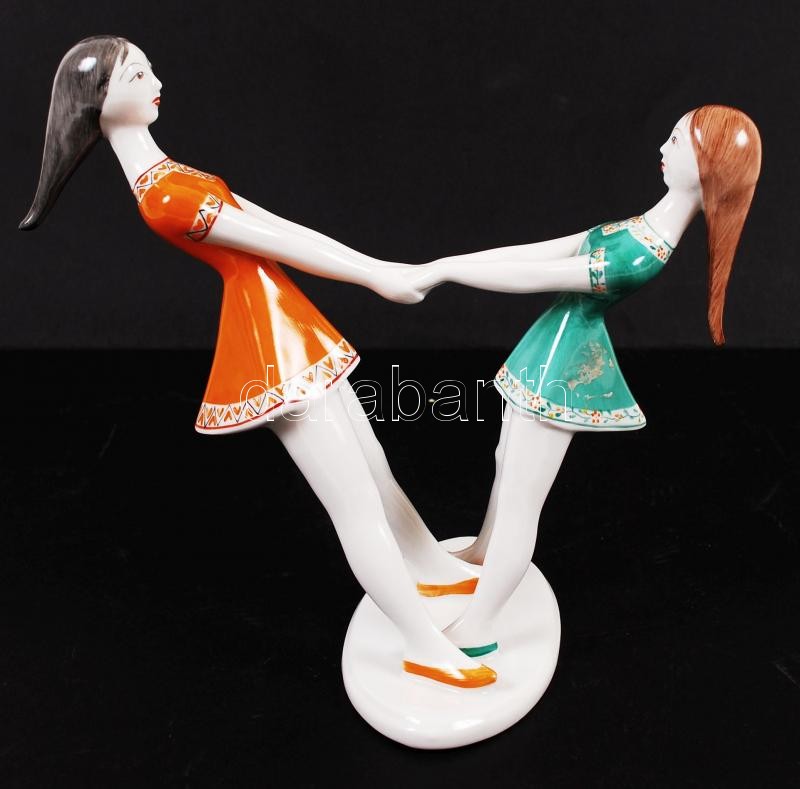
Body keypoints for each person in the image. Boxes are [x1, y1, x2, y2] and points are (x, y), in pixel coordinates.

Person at [20, 35, 491, 688]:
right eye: (137, 74)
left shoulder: (171, 173)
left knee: (375, 467)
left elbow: (275, 228)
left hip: (287, 322)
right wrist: (376, 274)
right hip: (268, 342)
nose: (157, 80)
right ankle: (422, 644)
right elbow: (278, 242)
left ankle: (431, 570)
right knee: (354, 501)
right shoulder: (164, 196)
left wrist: (377, 268)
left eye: (151, 67)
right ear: (99, 102)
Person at [403, 105, 762, 656]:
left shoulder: (642, 254)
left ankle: (479, 629)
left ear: (706, 166)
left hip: (567, 371)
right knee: (506, 461)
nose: (661, 148)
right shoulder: (636, 227)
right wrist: (448, 262)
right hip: (547, 353)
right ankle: (481, 555)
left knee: (521, 498)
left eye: (675, 141)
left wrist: (447, 271)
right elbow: (540, 252)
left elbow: (536, 276)